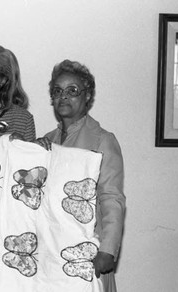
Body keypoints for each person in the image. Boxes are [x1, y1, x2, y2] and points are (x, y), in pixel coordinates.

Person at [43, 59, 126, 291]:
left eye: (73, 91)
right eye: (57, 91)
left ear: (87, 96)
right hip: (52, 253)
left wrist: (107, 249)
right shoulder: (46, 142)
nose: (63, 97)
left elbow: (112, 198)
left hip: (89, 251)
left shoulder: (103, 140)